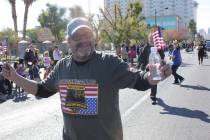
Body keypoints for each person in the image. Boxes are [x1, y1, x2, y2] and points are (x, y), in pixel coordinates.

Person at [1, 17, 171, 140]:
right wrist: (15, 77)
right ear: (68, 41)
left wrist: (152, 76)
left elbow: (138, 80)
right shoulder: (62, 66)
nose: (84, 41)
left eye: (87, 35)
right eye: (77, 37)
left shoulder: (109, 63)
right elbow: (43, 90)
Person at [137, 34, 165, 105]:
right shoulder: (146, 47)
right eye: (150, 38)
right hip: (147, 67)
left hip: (155, 67)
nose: (152, 40)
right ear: (148, 39)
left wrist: (161, 58)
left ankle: (153, 96)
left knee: (154, 81)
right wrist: (138, 66)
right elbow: (141, 57)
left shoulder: (158, 47)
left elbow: (162, 55)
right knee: (149, 81)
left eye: (153, 38)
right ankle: (152, 92)